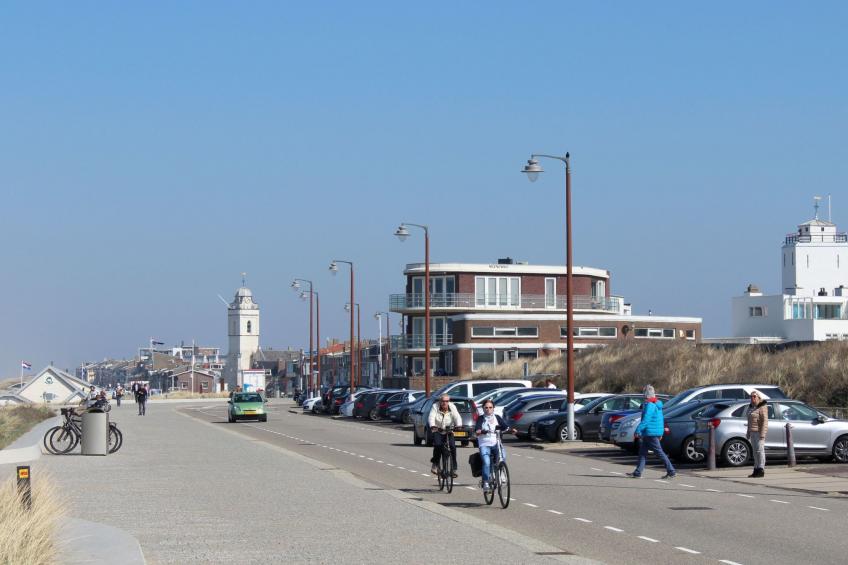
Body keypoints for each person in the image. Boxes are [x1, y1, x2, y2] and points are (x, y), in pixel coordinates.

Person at [627, 384, 676, 479]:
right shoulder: (656, 404)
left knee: (659, 453)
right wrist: (661, 432)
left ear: (646, 395)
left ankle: (671, 471)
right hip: (651, 432)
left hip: (650, 433)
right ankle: (637, 472)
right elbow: (661, 419)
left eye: (644, 394)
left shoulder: (650, 405)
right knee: (643, 453)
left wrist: (638, 430)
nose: (643, 396)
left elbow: (646, 420)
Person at [474, 399, 516, 491]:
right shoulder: (481, 418)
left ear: (493, 408)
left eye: (490, 407)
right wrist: (479, 431)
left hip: (496, 443)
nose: (488, 409)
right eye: (486, 408)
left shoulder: (497, 417)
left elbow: (505, 427)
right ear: (483, 409)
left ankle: (501, 475)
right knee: (487, 462)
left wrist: (511, 430)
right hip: (484, 444)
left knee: (502, 457)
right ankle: (485, 482)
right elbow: (477, 428)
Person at [428, 394, 462, 478]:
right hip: (438, 430)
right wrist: (433, 425)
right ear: (440, 401)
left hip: (448, 430)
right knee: (438, 445)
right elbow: (431, 417)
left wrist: (459, 425)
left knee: (453, 447)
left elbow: (457, 417)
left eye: (447, 401)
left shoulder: (452, 407)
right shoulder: (435, 406)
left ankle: (453, 468)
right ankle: (435, 464)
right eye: (443, 401)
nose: (445, 403)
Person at [746, 390, 768, 478]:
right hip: (752, 431)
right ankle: (756, 469)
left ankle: (761, 469)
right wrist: (748, 432)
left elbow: (764, 421)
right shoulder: (751, 407)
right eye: (751, 396)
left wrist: (762, 433)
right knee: (755, 451)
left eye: (754, 396)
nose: (752, 398)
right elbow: (749, 421)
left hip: (759, 432)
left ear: (758, 397)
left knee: (760, 451)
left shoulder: (762, 407)